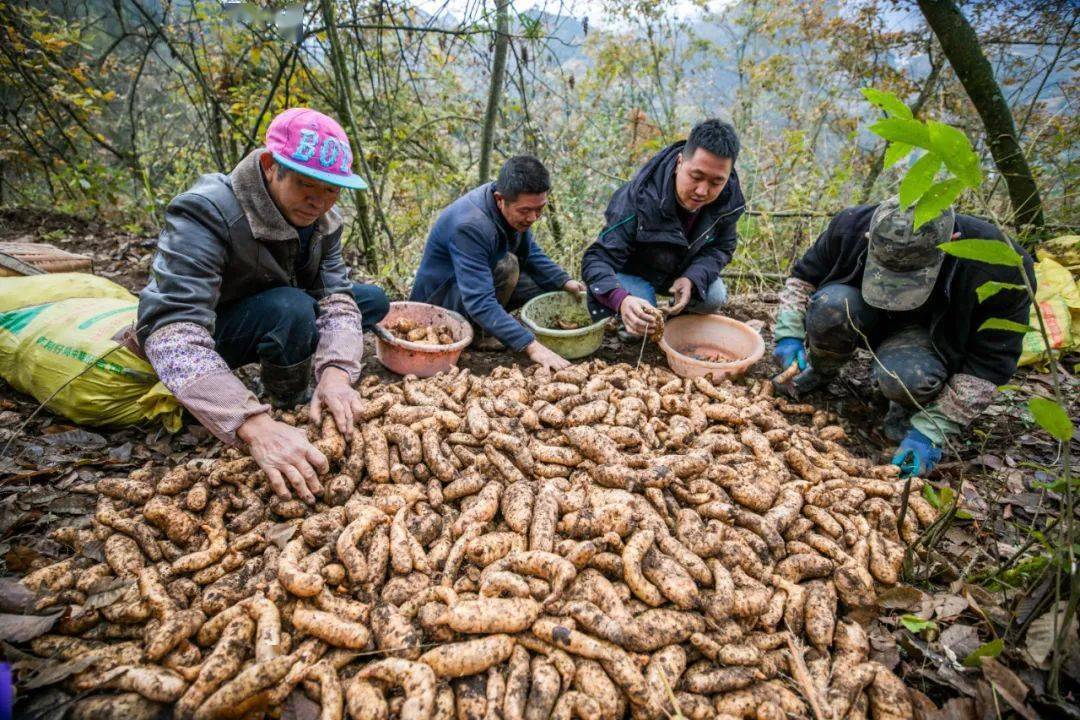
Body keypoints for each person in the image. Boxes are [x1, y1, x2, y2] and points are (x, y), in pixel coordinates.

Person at [136, 108, 390, 503]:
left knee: (369, 299)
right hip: (213, 327)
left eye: (331, 190)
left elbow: (336, 296)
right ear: (271, 166)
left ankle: (302, 379)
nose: (319, 202)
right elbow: (171, 331)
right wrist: (252, 424)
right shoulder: (204, 211)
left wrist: (337, 372)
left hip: (274, 301)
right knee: (290, 310)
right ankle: (283, 401)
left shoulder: (324, 220)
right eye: (308, 186)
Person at [771, 198, 1034, 478]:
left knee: (909, 376)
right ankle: (822, 369)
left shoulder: (1000, 267)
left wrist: (931, 432)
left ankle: (908, 412)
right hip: (866, 312)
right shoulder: (850, 226)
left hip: (931, 336)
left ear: (952, 241)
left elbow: (988, 366)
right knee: (831, 307)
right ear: (869, 238)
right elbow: (803, 280)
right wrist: (789, 334)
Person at [410, 155, 585, 371]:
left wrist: (564, 281)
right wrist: (531, 346)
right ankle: (476, 334)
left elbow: (529, 253)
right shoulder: (471, 226)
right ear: (500, 199)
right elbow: (479, 301)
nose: (533, 218)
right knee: (508, 265)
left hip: (476, 281)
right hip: (439, 304)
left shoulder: (508, 205)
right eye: (525, 211)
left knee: (545, 286)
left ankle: (487, 328)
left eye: (539, 209)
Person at [582, 118, 745, 337]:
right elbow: (596, 259)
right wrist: (621, 300)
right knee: (641, 322)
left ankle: (676, 319)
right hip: (634, 272)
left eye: (716, 182)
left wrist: (693, 278)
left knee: (713, 296)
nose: (702, 191)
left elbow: (722, 248)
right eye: (696, 177)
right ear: (680, 163)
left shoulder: (727, 201)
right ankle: (629, 316)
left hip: (678, 272)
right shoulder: (637, 199)